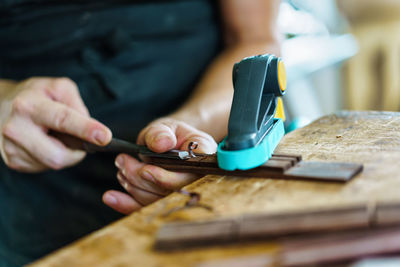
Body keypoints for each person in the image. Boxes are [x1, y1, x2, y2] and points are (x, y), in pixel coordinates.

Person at [0, 0, 280, 265]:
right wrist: (5, 98)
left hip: (206, 150)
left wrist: (190, 126)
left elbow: (254, 41)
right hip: (24, 185)